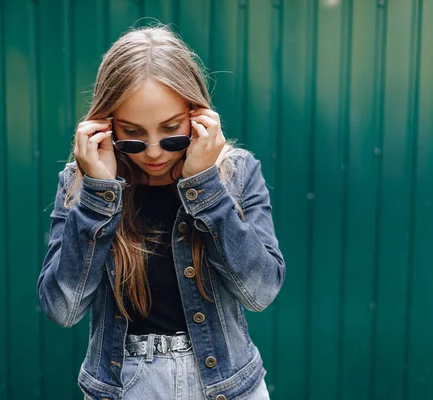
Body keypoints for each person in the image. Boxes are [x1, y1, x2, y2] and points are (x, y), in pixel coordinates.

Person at [37, 24, 285, 400]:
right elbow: (63, 309)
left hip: (230, 389)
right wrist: (97, 196)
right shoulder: (82, 182)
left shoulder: (237, 172)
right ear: (106, 124)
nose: (153, 151)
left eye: (171, 130)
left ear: (197, 114)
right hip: (125, 390)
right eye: (134, 134)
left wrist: (204, 187)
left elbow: (261, 293)